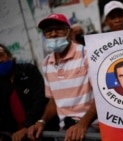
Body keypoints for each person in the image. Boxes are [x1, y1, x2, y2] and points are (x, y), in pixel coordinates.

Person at [27, 13, 97, 141]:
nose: (53, 34)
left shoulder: (86, 54)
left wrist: (82, 124)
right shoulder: (47, 63)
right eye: (48, 31)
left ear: (69, 33)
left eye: (58, 29)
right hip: (64, 130)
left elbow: (100, 95)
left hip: (90, 129)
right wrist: (42, 121)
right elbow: (53, 101)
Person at [0, 44, 59, 141]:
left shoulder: (28, 70)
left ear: (9, 55)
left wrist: (28, 125)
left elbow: (40, 99)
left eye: (0, 55)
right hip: (14, 136)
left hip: (41, 131)